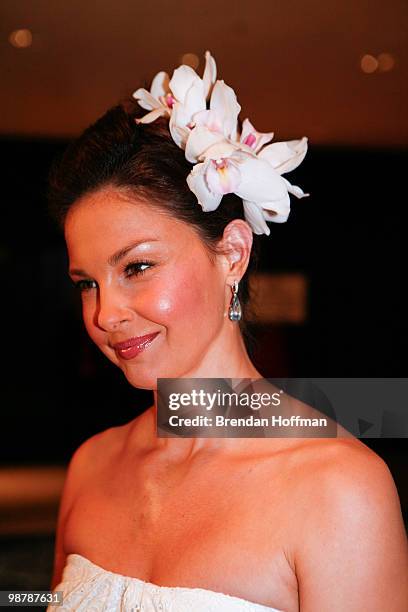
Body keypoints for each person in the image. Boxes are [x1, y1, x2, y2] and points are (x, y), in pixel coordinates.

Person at [46, 52, 408, 611]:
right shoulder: (91, 466)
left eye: (137, 267)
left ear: (232, 253)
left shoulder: (339, 489)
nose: (104, 314)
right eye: (85, 284)